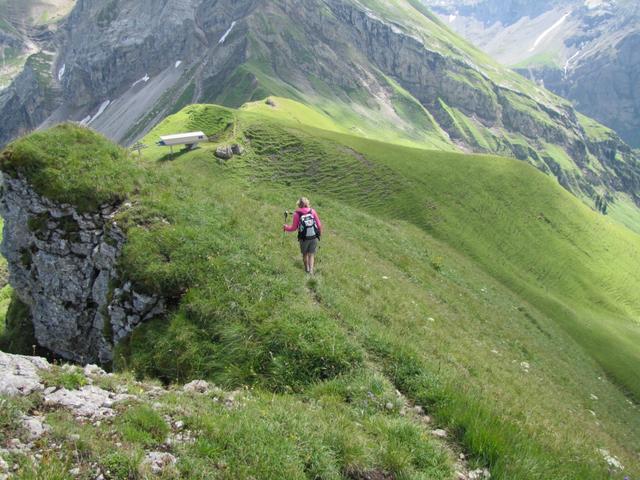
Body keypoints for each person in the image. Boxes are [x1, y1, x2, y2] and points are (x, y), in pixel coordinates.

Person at [283, 197, 323, 274]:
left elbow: (293, 228)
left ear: (298, 205)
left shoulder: (296, 214)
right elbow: (319, 225)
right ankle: (311, 271)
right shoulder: (312, 211)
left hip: (303, 238)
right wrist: (319, 234)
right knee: (311, 254)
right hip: (314, 236)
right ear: (307, 203)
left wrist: (286, 227)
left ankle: (306, 269)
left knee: (305, 254)